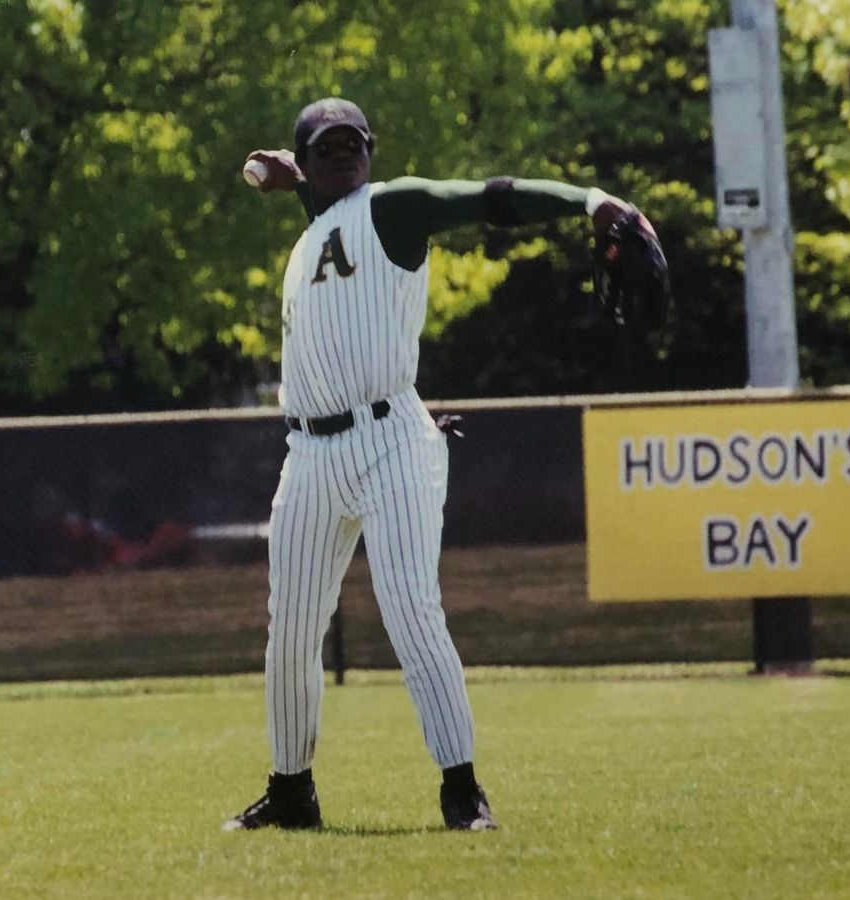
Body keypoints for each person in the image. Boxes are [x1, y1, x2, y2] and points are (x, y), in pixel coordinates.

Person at [224, 97, 638, 832]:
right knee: (289, 631)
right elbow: (326, 215)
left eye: (354, 143)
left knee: (411, 610)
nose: (344, 153)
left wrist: (589, 201)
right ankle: (291, 791)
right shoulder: (315, 230)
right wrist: (295, 184)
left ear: (371, 150)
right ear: (308, 163)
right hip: (308, 454)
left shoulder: (394, 206)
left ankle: (462, 789)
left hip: (389, 440)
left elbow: (489, 199)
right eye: (326, 147)